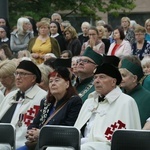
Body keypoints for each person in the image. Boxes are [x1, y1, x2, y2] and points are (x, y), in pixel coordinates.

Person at [74, 63, 141, 150]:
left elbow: (125, 139)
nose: (97, 81)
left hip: (107, 146)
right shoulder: (89, 101)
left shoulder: (126, 102)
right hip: (82, 144)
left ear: (113, 82)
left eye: (102, 77)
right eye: (95, 77)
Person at [17, 67, 82, 150]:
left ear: (67, 84)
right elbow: (35, 122)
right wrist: (31, 133)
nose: (53, 83)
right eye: (51, 81)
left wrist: (42, 134)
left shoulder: (74, 101)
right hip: (39, 143)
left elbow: (68, 128)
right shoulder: (46, 101)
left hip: (59, 144)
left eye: (57, 80)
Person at [0, 60, 47, 149]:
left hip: (22, 143)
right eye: (16, 73)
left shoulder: (42, 97)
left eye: (22, 74)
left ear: (33, 78)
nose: (18, 77)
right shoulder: (10, 96)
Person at [119, 55, 150, 127]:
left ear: (134, 78)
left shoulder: (147, 98)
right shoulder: (117, 94)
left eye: (123, 75)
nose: (120, 78)